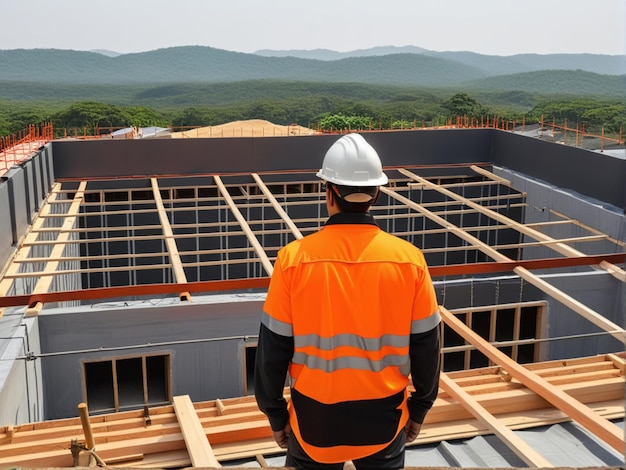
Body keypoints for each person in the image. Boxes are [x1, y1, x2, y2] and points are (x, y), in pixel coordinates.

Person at [254, 133, 441, 469]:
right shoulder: (410, 261)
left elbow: (272, 350)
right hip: (385, 420)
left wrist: (275, 414)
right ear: (377, 194)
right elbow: (426, 346)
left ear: (329, 193)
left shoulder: (293, 260)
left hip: (313, 423)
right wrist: (420, 407)